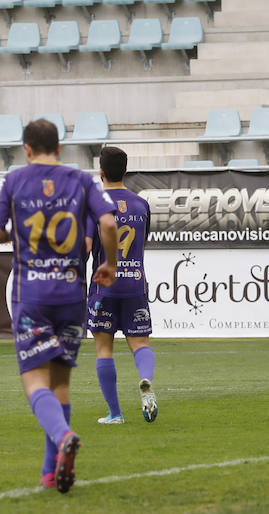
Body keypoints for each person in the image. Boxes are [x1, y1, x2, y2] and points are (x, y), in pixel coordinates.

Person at [0, 118, 119, 494]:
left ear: (27, 149)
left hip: (33, 296)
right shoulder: (81, 180)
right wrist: (109, 264)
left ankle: (63, 437)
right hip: (72, 296)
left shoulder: (15, 180)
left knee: (34, 379)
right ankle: (51, 472)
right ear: (59, 148)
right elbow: (108, 223)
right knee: (61, 383)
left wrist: (20, 235)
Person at [85, 146, 158, 425]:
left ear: (100, 172)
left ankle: (115, 413)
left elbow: (85, 248)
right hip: (135, 284)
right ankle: (146, 380)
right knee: (140, 343)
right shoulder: (141, 205)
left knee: (104, 349)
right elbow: (142, 243)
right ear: (125, 171)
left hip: (105, 286)